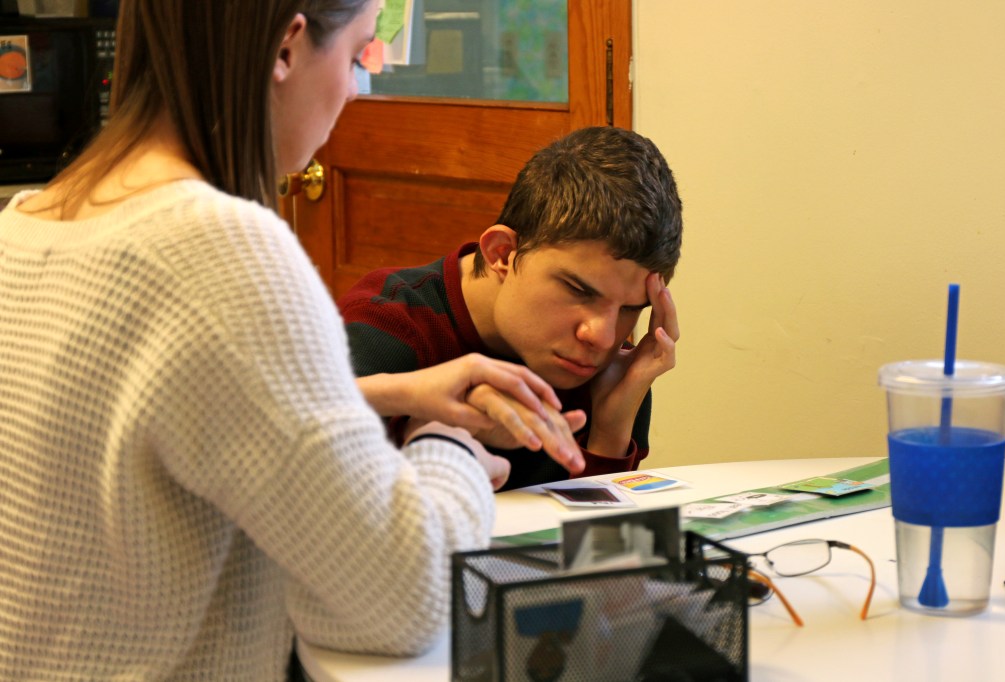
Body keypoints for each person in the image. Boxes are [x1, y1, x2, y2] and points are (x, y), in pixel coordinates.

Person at [0, 1, 581, 679]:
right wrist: (447, 445)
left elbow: (169, 420)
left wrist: (387, 392)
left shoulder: (27, 223)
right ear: (286, 48)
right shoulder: (219, 251)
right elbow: (402, 598)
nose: (357, 90)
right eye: (360, 54)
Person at [340, 126, 683, 490]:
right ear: (502, 253)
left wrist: (611, 430)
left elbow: (596, 543)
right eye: (579, 290)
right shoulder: (387, 323)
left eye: (632, 308)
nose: (601, 335)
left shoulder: (617, 372)